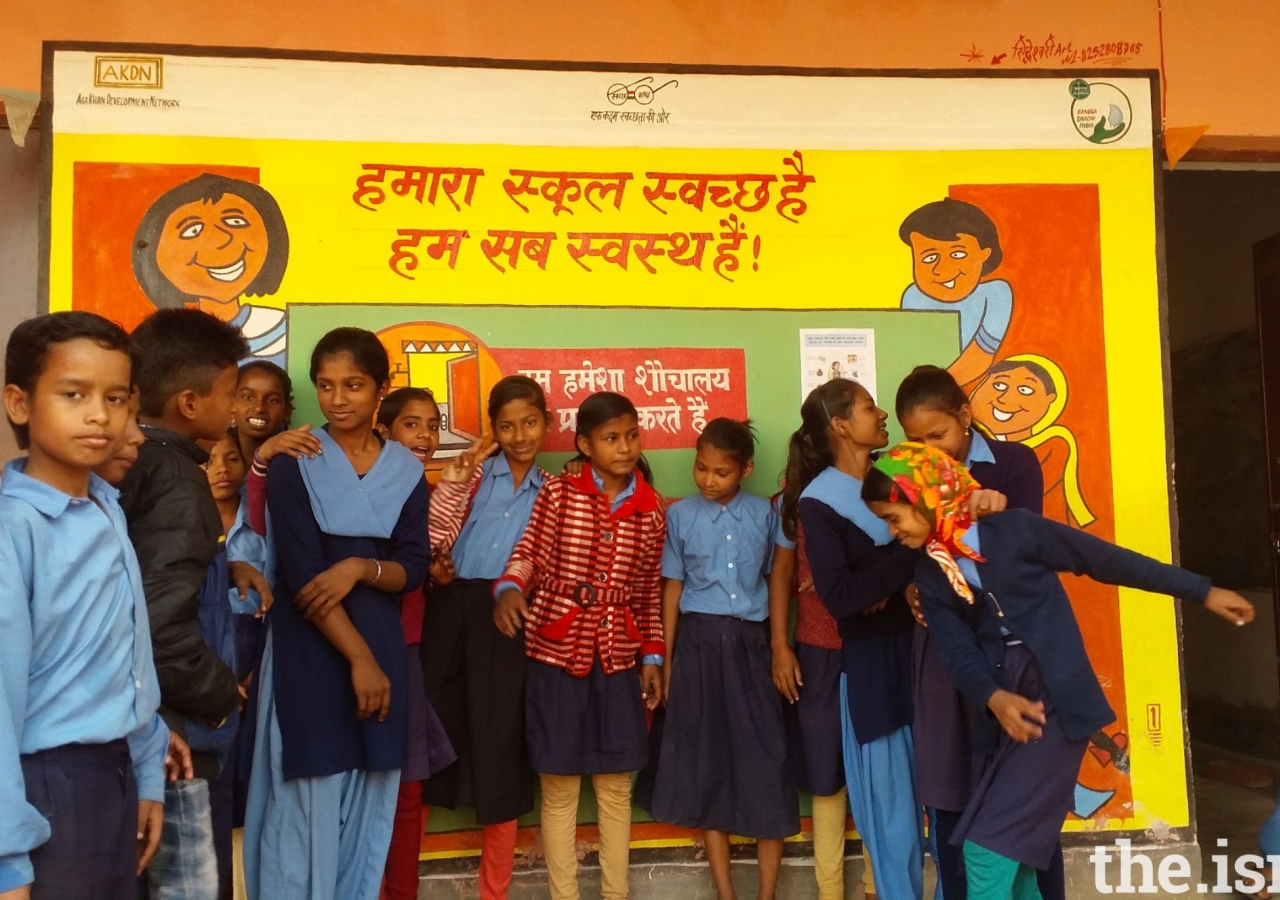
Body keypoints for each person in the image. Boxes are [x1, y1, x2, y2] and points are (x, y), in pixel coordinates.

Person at [862, 443, 1255, 900]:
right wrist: (993, 697)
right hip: (1005, 712)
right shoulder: (932, 572)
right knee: (1019, 859)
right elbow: (957, 653)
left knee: (986, 854)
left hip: (1056, 703)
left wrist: (1202, 592)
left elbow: (1109, 561)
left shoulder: (1017, 531)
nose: (893, 531)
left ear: (928, 497)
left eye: (895, 518)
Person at [243, 328, 430, 900]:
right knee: (307, 792)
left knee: (372, 797)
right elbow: (301, 576)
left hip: (381, 646)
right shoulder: (295, 460)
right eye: (325, 386)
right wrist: (360, 661)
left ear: (382, 388)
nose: (338, 399)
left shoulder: (406, 469)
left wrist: (357, 568)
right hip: (312, 648)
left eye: (353, 385)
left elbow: (413, 566)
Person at [0, 312, 169, 900]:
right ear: (19, 404)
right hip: (44, 786)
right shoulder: (13, 529)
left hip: (111, 775)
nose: (100, 414)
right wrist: (7, 860)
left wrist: (147, 772)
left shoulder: (104, 506)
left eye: (116, 397)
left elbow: (131, 653)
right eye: (74, 394)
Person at [120, 308, 270, 900]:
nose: (236, 409)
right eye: (231, 393)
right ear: (189, 403)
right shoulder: (182, 481)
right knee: (191, 884)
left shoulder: (142, 465)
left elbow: (148, 568)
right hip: (178, 732)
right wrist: (217, 691)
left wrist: (223, 564)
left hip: (149, 721)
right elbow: (160, 620)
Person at [494, 391, 665, 900]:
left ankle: (617, 893)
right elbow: (530, 554)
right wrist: (509, 588)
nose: (625, 447)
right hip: (555, 652)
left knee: (615, 787)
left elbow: (648, 593)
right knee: (561, 785)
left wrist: (652, 655)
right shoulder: (559, 494)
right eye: (611, 438)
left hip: (616, 658)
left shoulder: (650, 510)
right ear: (585, 445)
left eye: (631, 435)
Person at [894, 364, 1049, 900]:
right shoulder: (908, 477)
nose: (930, 451)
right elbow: (907, 551)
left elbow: (1027, 553)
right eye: (916, 441)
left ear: (965, 415)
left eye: (938, 436)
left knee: (1023, 808)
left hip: (1013, 655)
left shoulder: (1013, 464)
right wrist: (914, 588)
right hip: (944, 656)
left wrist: (987, 514)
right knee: (952, 803)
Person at [782, 378, 922, 900]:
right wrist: (905, 561)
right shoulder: (818, 503)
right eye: (869, 408)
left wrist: (883, 579)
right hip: (867, 666)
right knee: (889, 810)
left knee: (926, 794)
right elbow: (842, 598)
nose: (882, 414)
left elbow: (935, 550)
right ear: (841, 425)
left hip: (918, 652)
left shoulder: (895, 481)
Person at [649, 418, 798, 900]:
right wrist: (668, 661)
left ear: (746, 470)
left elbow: (779, 583)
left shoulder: (766, 515)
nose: (709, 480)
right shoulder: (680, 516)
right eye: (701, 469)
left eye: (722, 472)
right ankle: (726, 893)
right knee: (706, 764)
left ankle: (767, 893)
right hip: (697, 647)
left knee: (767, 761)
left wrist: (779, 646)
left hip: (753, 647)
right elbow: (672, 589)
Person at [421, 375, 551, 899]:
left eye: (530, 423)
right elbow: (431, 540)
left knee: (500, 747)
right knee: (428, 738)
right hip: (448, 611)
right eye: (507, 425)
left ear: (547, 422)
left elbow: (539, 555)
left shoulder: (555, 490)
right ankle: (395, 877)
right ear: (493, 429)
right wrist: (454, 484)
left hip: (507, 615)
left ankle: (492, 890)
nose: (520, 435)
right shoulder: (471, 475)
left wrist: (510, 590)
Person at [373, 387, 458, 900]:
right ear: (382, 430)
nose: (425, 436)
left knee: (407, 789)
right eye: (412, 424)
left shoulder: (427, 493)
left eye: (432, 425)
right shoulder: (358, 487)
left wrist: (435, 577)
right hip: (361, 648)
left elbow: (417, 569)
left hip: (408, 647)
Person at [769, 511, 877, 900]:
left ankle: (875, 887)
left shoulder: (874, 495)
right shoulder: (796, 505)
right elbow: (781, 576)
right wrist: (780, 647)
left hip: (872, 648)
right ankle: (827, 892)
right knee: (825, 778)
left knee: (874, 777)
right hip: (816, 653)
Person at [132, 174, 290, 366]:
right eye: (192, 230)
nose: (221, 239)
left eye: (235, 222)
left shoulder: (284, 329)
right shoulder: (162, 341)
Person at [898, 198, 1011, 388]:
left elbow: (980, 356)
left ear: (985, 254)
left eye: (958, 254)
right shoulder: (913, 296)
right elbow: (916, 353)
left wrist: (935, 391)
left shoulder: (997, 294)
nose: (943, 269)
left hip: (958, 391)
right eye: (929, 257)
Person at [232, 361, 293, 464]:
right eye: (248, 397)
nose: (259, 408)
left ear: (287, 411)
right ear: (231, 404)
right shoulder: (211, 453)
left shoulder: (294, 459)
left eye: (272, 400)